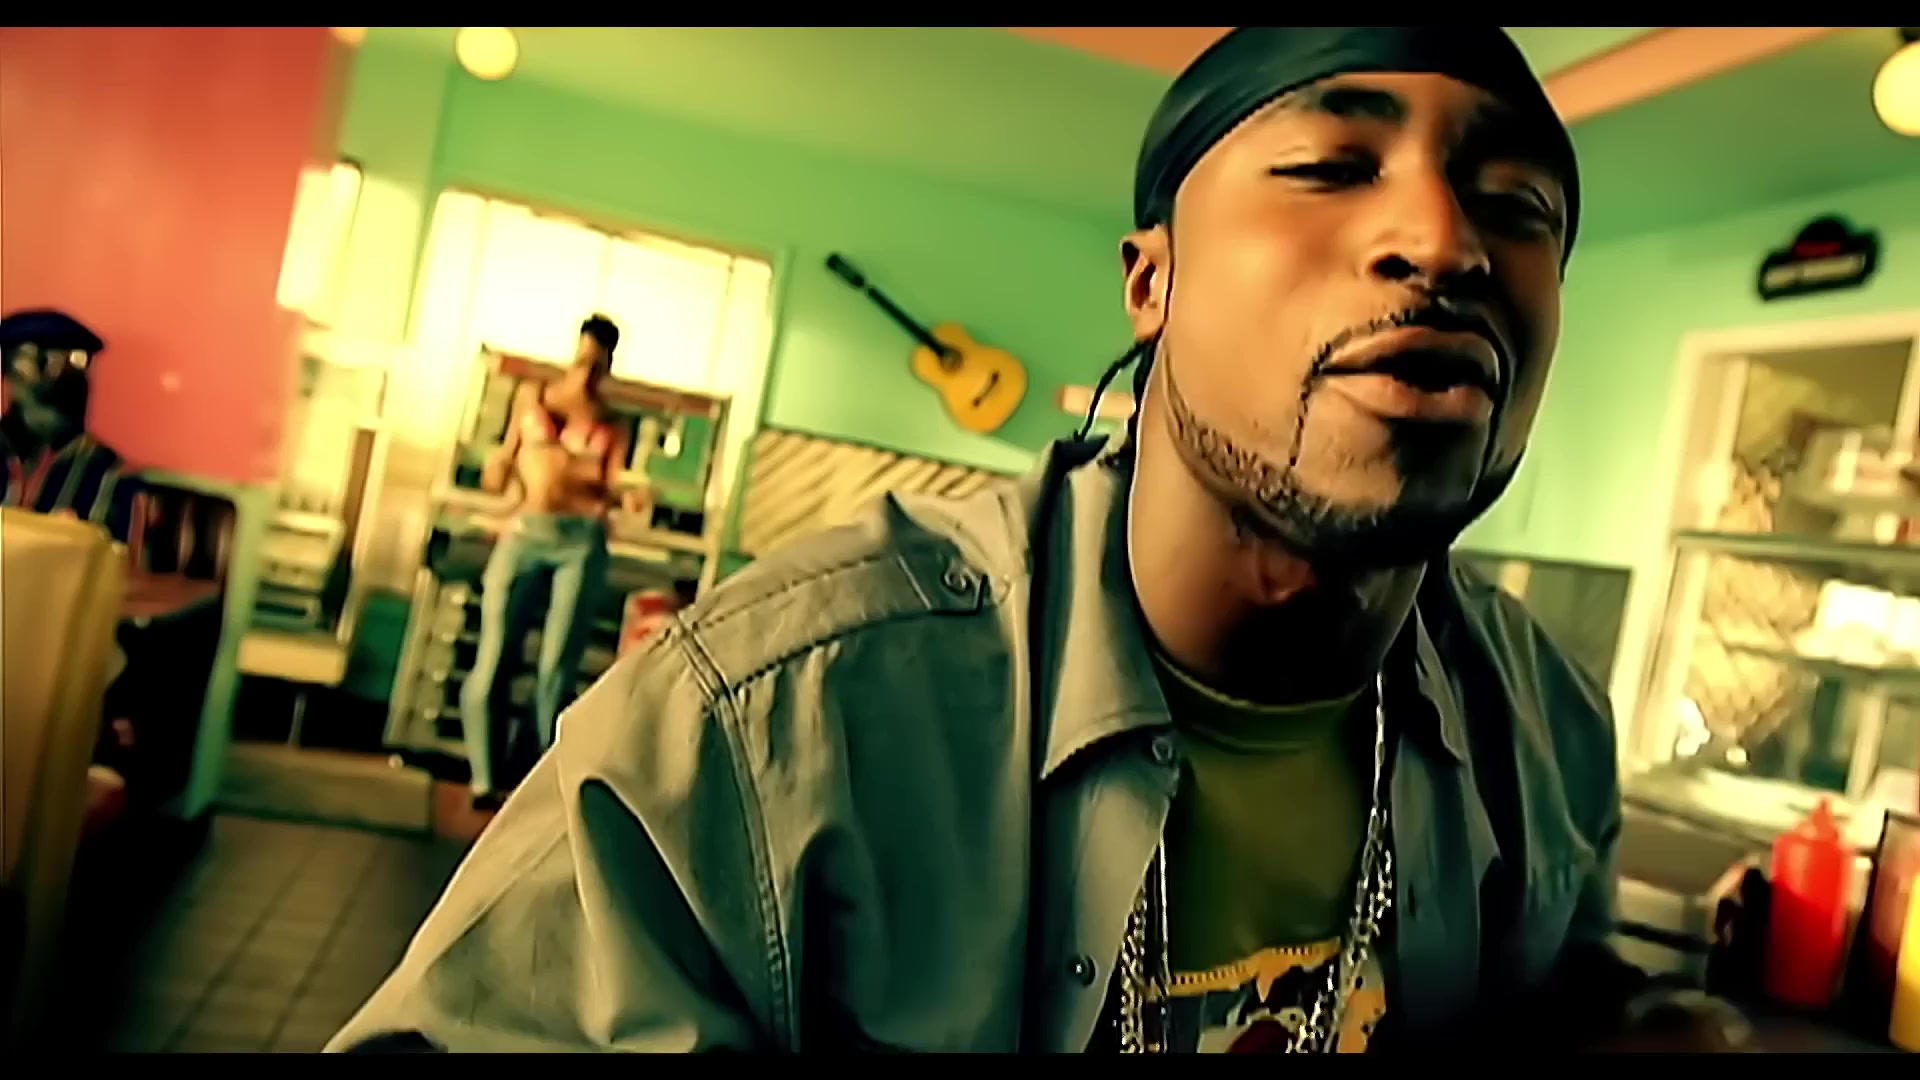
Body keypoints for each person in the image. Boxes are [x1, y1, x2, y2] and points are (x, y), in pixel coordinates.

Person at [331, 28, 1748, 1053]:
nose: (1443, 241)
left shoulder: (1543, 725)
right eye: (1330, 165)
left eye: (1518, 209)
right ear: (1151, 280)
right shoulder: (773, 718)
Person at [461, 314, 634, 810]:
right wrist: (503, 469)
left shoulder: (612, 422)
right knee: (494, 656)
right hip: (526, 531)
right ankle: (484, 777)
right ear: (574, 352)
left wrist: (608, 488)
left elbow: (611, 484)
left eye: (597, 365)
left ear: (609, 366)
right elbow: (506, 464)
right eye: (583, 360)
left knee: (556, 668)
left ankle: (541, 791)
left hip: (579, 540)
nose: (586, 373)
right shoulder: (533, 399)